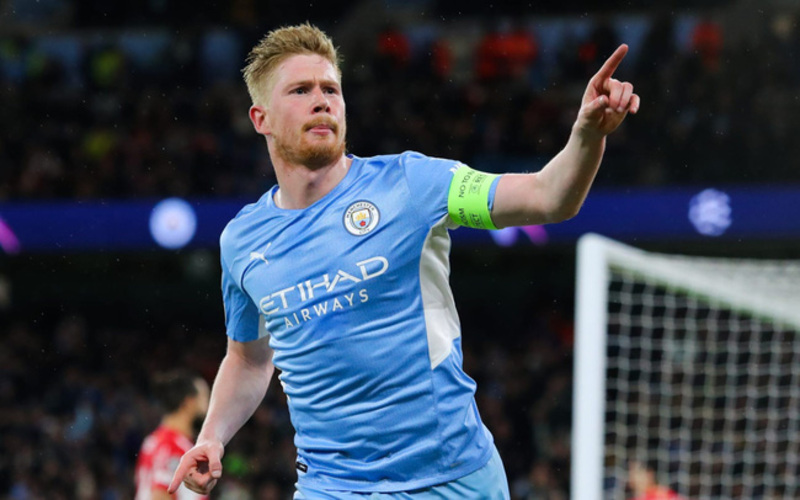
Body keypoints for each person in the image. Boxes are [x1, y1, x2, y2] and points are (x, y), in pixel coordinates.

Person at [169, 23, 639, 499]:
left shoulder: (412, 184)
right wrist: (212, 436)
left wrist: (586, 136)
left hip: (451, 479)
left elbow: (547, 197)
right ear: (261, 118)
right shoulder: (243, 240)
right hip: (333, 487)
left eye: (331, 89)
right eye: (300, 90)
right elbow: (248, 359)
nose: (322, 101)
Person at [136, 369, 210, 500]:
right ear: (189, 402)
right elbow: (160, 495)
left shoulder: (155, 440)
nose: (209, 403)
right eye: (204, 397)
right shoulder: (171, 445)